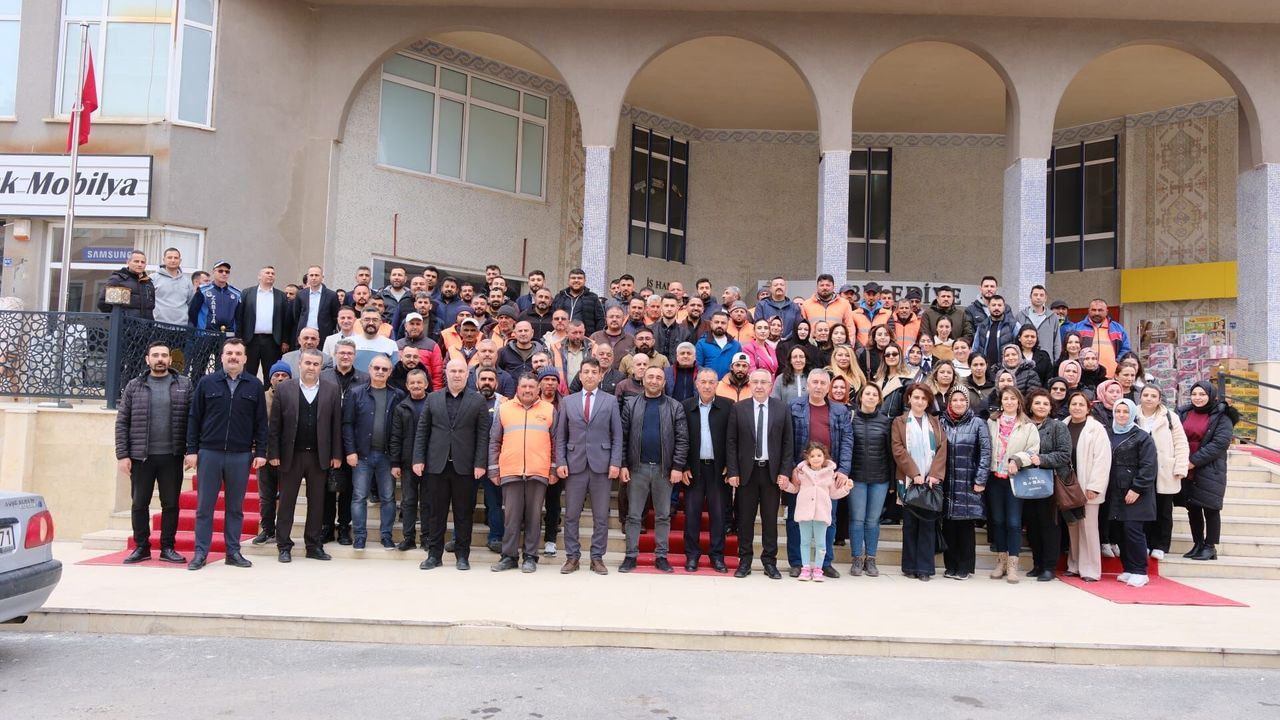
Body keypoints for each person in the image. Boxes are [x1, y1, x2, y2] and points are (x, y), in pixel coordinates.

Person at [185, 338, 268, 570]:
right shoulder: (206, 383)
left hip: (240, 455)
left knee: (235, 508)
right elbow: (194, 418)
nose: (233, 357)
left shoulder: (255, 385)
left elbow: (261, 422)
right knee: (204, 507)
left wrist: (261, 451)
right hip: (209, 453)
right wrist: (191, 450)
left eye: (238, 353)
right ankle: (200, 553)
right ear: (222, 356)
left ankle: (233, 552)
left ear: (245, 358)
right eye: (229, 353)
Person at [404, 359, 491, 571]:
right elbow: (422, 431)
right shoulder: (433, 398)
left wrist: (480, 463)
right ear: (446, 373)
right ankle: (434, 555)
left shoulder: (478, 400)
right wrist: (418, 459)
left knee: (464, 513)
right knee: (436, 513)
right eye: (453, 371)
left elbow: (483, 435)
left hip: (465, 467)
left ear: (467, 374)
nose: (457, 374)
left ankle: (462, 556)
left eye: (461, 371)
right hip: (436, 466)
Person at [116, 341, 193, 565]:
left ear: (170, 359)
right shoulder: (134, 386)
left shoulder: (184, 384)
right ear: (147, 359)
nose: (160, 359)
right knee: (139, 503)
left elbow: (193, 420)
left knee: (171, 504)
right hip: (141, 456)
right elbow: (122, 422)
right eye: (156, 355)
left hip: (172, 455)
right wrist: (122, 455)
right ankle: (142, 547)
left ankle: (168, 547)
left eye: (164, 355)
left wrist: (191, 450)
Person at [266, 349, 343, 563]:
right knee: (287, 502)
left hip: (319, 456)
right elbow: (275, 425)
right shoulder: (284, 388)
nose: (311, 367)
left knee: (317, 503)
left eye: (316, 364)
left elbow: (336, 425)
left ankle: (313, 545)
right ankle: (284, 545)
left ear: (321, 367)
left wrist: (336, 454)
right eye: (308, 363)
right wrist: (273, 452)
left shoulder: (331, 389)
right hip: (291, 455)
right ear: (299, 364)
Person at [552, 359, 622, 575]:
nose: (590, 375)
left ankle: (597, 558)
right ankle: (572, 557)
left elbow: (617, 435)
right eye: (586, 372)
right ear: (580, 376)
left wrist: (615, 462)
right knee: (571, 514)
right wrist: (560, 462)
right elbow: (560, 436)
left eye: (594, 372)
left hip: (602, 465)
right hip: (575, 465)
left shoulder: (610, 401)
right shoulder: (568, 401)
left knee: (601, 516)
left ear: (600, 376)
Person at [618, 366, 689, 573]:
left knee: (663, 515)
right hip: (637, 468)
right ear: (643, 380)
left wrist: (678, 466)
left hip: (664, 470)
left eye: (658, 377)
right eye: (650, 377)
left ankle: (661, 556)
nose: (654, 381)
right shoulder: (631, 404)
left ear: (664, 382)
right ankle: (630, 556)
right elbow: (623, 437)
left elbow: (682, 440)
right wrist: (623, 464)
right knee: (633, 515)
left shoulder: (675, 406)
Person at [726, 369, 795, 579]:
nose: (759, 386)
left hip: (771, 473)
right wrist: (733, 471)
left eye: (763, 382)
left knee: (770, 520)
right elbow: (731, 442)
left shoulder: (782, 408)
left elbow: (788, 443)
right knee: (745, 519)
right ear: (750, 384)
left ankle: (769, 562)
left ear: (770, 385)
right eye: (755, 382)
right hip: (747, 473)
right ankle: (745, 561)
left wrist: (785, 472)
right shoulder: (739, 408)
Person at [785, 369, 853, 579]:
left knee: (828, 519)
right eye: (814, 382)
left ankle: (825, 563)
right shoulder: (794, 407)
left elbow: (847, 441)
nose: (818, 386)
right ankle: (798, 563)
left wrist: (843, 470)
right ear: (807, 385)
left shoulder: (840, 410)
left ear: (828, 387)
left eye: (823, 383)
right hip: (801, 473)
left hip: (828, 475)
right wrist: (791, 469)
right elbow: (787, 439)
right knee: (796, 519)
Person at [489, 373, 557, 573]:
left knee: (534, 517)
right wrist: (493, 468)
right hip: (511, 470)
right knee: (511, 518)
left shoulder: (549, 410)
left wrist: (553, 468)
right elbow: (494, 441)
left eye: (531, 387)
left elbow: (556, 442)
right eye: (524, 386)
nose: (527, 390)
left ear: (538, 389)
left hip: (538, 470)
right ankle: (509, 556)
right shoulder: (504, 409)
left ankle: (530, 556)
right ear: (517, 388)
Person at [342, 354, 405, 550]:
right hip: (362, 455)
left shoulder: (397, 395)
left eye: (384, 369)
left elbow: (401, 428)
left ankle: (386, 536)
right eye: (376, 368)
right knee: (359, 496)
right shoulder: (355, 393)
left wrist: (397, 458)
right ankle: (360, 537)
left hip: (387, 456)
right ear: (369, 369)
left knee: (388, 497)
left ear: (390, 372)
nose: (380, 372)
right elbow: (347, 424)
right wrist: (350, 451)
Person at [891, 383, 948, 581]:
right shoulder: (899, 421)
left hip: (930, 481)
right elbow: (898, 449)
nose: (920, 401)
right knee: (910, 524)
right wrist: (914, 472)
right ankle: (909, 566)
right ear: (909, 399)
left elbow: (942, 448)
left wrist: (935, 474)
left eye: (924, 398)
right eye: (916, 397)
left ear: (928, 402)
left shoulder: (935, 422)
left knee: (927, 525)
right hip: (909, 479)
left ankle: (924, 568)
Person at [1177, 381, 1239, 562]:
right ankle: (1197, 543)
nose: (1198, 398)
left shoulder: (1222, 415)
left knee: (1210, 508)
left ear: (1211, 395)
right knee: (1193, 507)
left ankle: (1210, 546)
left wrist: (1193, 461)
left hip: (1210, 467)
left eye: (1202, 394)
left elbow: (1220, 443)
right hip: (1186, 465)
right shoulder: (1184, 412)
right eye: (1194, 394)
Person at [681, 368, 733, 573]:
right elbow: (680, 438)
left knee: (718, 515)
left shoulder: (728, 406)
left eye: (711, 382)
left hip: (719, 470)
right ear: (696, 384)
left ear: (717, 384)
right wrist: (683, 466)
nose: (707, 386)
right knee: (692, 514)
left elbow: (733, 438)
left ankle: (717, 556)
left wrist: (731, 465)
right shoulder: (686, 406)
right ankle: (692, 555)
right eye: (703, 382)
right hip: (693, 469)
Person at [985, 386, 1040, 582]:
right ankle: (1001, 562)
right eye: (1006, 398)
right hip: (994, 478)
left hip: (1015, 479)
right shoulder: (991, 422)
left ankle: (1013, 566)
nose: (1009, 402)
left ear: (1019, 402)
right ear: (1001, 402)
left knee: (1014, 522)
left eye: (1013, 399)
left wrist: (1017, 460)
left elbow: (1033, 450)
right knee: (998, 521)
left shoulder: (1028, 425)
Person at [780, 442, 852, 581]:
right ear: (807, 458)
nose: (816, 458)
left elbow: (834, 494)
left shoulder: (830, 474)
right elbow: (795, 489)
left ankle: (818, 569)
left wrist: (846, 488)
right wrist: (785, 485)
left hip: (821, 513)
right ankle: (805, 568)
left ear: (824, 457)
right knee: (804, 542)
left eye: (819, 455)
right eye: (812, 456)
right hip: (804, 513)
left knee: (821, 543)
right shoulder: (801, 473)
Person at [1106, 399, 1159, 587]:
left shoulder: (1142, 436)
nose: (1121, 415)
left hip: (1136, 492)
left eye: (1126, 411)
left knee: (1133, 530)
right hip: (1115, 491)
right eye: (1118, 411)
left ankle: (1140, 571)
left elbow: (1149, 466)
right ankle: (1128, 568)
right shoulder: (1108, 433)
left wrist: (1137, 488)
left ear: (1132, 414)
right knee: (1120, 531)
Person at [939, 388, 990, 580]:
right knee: (948, 525)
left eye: (962, 400)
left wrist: (980, 479)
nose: (958, 403)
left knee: (965, 527)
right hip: (947, 482)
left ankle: (965, 567)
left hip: (968, 482)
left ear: (968, 403)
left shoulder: (978, 423)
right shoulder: (942, 422)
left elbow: (985, 452)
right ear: (949, 403)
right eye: (955, 400)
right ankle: (950, 565)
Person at [319, 339, 366, 545]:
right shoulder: (323, 376)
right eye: (342, 353)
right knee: (325, 487)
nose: (345, 356)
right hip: (326, 439)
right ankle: (327, 526)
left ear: (354, 356)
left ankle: (344, 527)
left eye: (349, 353)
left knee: (348, 488)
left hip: (353, 441)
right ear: (334, 355)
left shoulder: (364, 378)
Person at [1024, 388, 1073, 581]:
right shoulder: (1024, 425)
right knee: (1032, 525)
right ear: (1030, 406)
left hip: (1050, 483)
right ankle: (1037, 564)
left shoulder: (1058, 427)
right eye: (1037, 403)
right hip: (1026, 482)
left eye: (1045, 403)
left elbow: (1064, 454)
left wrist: (1042, 459)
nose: (1041, 406)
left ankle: (1049, 567)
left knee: (1049, 525)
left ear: (1051, 407)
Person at [1064, 390, 1113, 582]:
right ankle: (1074, 565)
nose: (1077, 407)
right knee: (1073, 526)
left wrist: (1095, 486)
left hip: (1088, 486)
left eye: (1081, 405)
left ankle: (1091, 569)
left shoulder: (1096, 428)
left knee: (1088, 528)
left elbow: (1102, 459)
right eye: (1073, 404)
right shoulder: (1063, 425)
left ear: (1088, 408)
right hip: (1068, 485)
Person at [1136, 385, 1189, 560]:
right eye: (1146, 395)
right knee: (1142, 509)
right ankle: (1144, 543)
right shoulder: (1133, 415)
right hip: (1141, 470)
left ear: (1159, 399)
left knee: (1164, 509)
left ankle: (1161, 545)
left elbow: (1181, 443)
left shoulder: (1170, 417)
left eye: (1153, 396)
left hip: (1165, 470)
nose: (1149, 398)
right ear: (1140, 397)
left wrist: (1180, 467)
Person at [388, 368, 430, 552]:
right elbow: (395, 437)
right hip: (407, 463)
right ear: (406, 385)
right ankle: (409, 538)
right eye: (412, 383)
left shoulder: (433, 404)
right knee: (409, 501)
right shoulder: (401, 407)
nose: (416, 385)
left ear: (426, 384)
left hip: (430, 463)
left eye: (419, 382)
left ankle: (427, 538)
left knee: (428, 502)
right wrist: (395, 463)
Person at [237, 265, 293, 381]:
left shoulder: (281, 296)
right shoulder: (247, 293)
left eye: (273, 273)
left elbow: (285, 320)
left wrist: (285, 340)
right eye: (267, 273)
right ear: (259, 276)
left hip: (272, 341)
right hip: (250, 340)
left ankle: (269, 393)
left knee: (270, 373)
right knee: (248, 372)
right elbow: (240, 317)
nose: (270, 275)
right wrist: (239, 338)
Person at [1062, 299, 1131, 377]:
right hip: (1085, 376)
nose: (1097, 313)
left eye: (1100, 310)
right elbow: (1068, 349)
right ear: (1088, 311)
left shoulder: (1118, 329)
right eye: (1093, 310)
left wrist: (1117, 362)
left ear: (1106, 311)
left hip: (1112, 375)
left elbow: (1125, 349)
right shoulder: (1077, 328)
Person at [98, 249, 155, 319]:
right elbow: (102, 304)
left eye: (142, 262)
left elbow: (151, 307)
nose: (140, 264)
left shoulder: (148, 283)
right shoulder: (117, 279)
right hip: (125, 324)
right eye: (136, 261)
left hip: (145, 325)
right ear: (128, 262)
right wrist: (120, 319)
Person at [188, 260, 242, 334]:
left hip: (229, 334)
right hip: (206, 334)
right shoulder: (203, 291)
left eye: (227, 272)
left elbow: (239, 317)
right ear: (213, 272)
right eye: (220, 271)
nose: (224, 274)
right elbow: (193, 312)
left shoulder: (236, 293)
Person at [971, 295, 1019, 369]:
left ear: (1004, 307)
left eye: (999, 305)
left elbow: (1020, 347)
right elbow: (975, 349)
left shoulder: (1013, 325)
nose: (996, 308)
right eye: (993, 305)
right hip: (986, 370)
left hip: (1006, 370)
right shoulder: (982, 326)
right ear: (989, 307)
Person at [1017, 284, 1062, 362]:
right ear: (1030, 297)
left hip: (1046, 360)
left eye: (1041, 295)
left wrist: (1057, 361)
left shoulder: (1053, 317)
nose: (1038, 297)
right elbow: (1016, 339)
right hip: (1025, 360)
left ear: (1045, 298)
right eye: (1035, 295)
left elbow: (1057, 341)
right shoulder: (1021, 316)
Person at [552, 267, 604, 334]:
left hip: (585, 337)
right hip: (561, 336)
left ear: (585, 280)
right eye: (573, 278)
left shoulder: (593, 297)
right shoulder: (560, 297)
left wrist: (596, 336)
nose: (576, 280)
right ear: (569, 280)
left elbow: (600, 319)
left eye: (579, 278)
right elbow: (552, 316)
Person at [151, 247, 193, 326]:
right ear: (164, 260)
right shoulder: (153, 278)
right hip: (158, 326)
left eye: (176, 258)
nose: (173, 260)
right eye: (169, 257)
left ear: (180, 260)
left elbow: (190, 303)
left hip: (181, 327)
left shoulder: (187, 281)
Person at [351, 307, 399, 373]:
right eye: (367, 319)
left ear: (380, 322)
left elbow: (394, 370)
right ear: (361, 322)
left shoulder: (391, 344)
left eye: (375, 320)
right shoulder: (350, 342)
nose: (371, 323)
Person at [851, 281, 891, 348]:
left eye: (874, 294)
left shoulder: (888, 314)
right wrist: (861, 350)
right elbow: (851, 335)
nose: (871, 297)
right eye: (868, 294)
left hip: (881, 351)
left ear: (879, 295)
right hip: (860, 351)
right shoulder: (854, 314)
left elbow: (891, 336)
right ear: (864, 295)